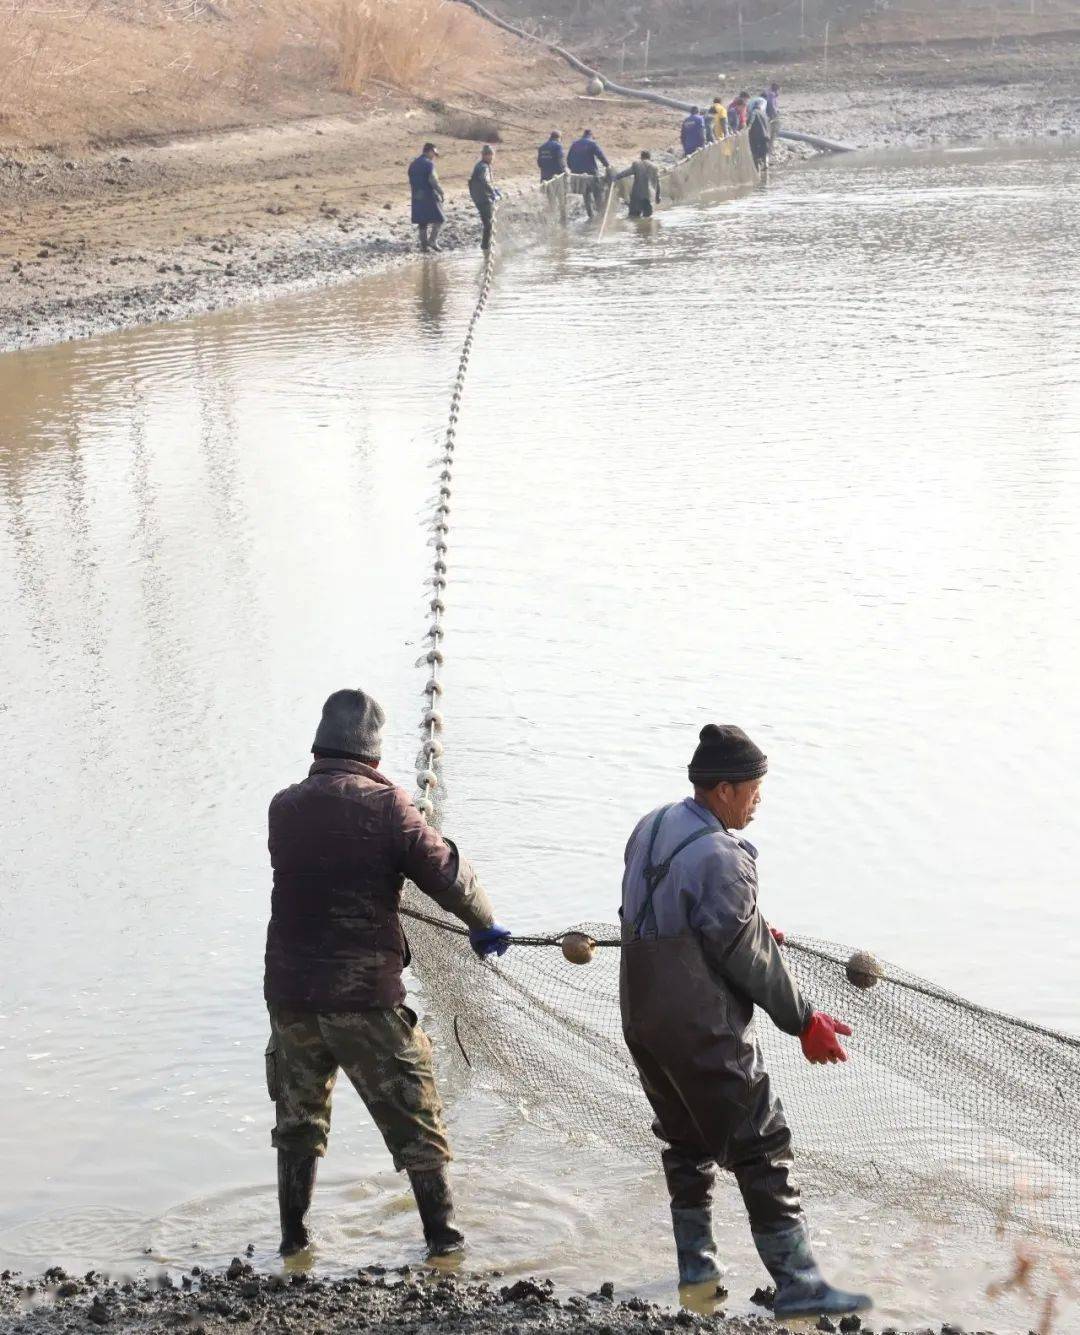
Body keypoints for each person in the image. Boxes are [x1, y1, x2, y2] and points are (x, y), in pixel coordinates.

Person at [619, 723, 873, 1320]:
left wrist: (751, 924)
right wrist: (804, 1020)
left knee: (684, 1141)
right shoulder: (722, 856)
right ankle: (800, 1283)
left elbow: (668, 913)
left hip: (642, 1017)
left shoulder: (652, 825)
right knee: (762, 1143)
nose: (759, 802)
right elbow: (746, 959)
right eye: (755, 790)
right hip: (698, 1026)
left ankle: (697, 1273)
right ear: (725, 789)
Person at [264, 689, 512, 1258]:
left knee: (299, 1124)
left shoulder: (284, 806)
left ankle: (293, 1241)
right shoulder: (389, 806)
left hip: (291, 997)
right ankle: (445, 1245)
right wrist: (484, 922)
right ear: (374, 756)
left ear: (319, 746)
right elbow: (446, 876)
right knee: (417, 1120)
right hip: (366, 1001)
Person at [407, 142, 445, 253]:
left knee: (422, 221)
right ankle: (432, 241)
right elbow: (433, 180)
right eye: (433, 153)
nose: (434, 156)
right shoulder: (429, 164)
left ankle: (424, 247)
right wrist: (441, 192)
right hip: (429, 195)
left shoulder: (413, 164)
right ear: (429, 151)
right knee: (440, 219)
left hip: (416, 195)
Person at [567, 129, 610, 219]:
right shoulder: (592, 143)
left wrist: (573, 170)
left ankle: (591, 216)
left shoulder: (574, 144)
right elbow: (600, 155)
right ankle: (601, 216)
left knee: (586, 195)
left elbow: (568, 159)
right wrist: (607, 166)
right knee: (598, 194)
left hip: (578, 174)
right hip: (591, 174)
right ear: (591, 135)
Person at [468, 144, 500, 252]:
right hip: (483, 199)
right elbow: (484, 180)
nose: (491, 157)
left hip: (479, 197)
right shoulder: (483, 167)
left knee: (488, 222)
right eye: (490, 155)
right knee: (489, 223)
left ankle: (486, 246)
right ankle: (485, 247)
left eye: (492, 155)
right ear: (485, 155)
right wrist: (493, 192)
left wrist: (495, 190)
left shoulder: (481, 165)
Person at [614, 150, 661, 218]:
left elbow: (626, 173)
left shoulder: (637, 164)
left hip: (636, 196)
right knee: (647, 218)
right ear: (649, 158)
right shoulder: (655, 167)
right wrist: (657, 197)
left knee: (633, 217)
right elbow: (658, 184)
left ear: (641, 157)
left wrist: (616, 177)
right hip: (648, 197)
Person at [748, 97, 771, 170]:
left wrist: (748, 126)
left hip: (757, 136)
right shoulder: (764, 114)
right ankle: (766, 164)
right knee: (765, 151)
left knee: (755, 151)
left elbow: (751, 119)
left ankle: (757, 167)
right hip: (766, 135)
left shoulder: (754, 112)